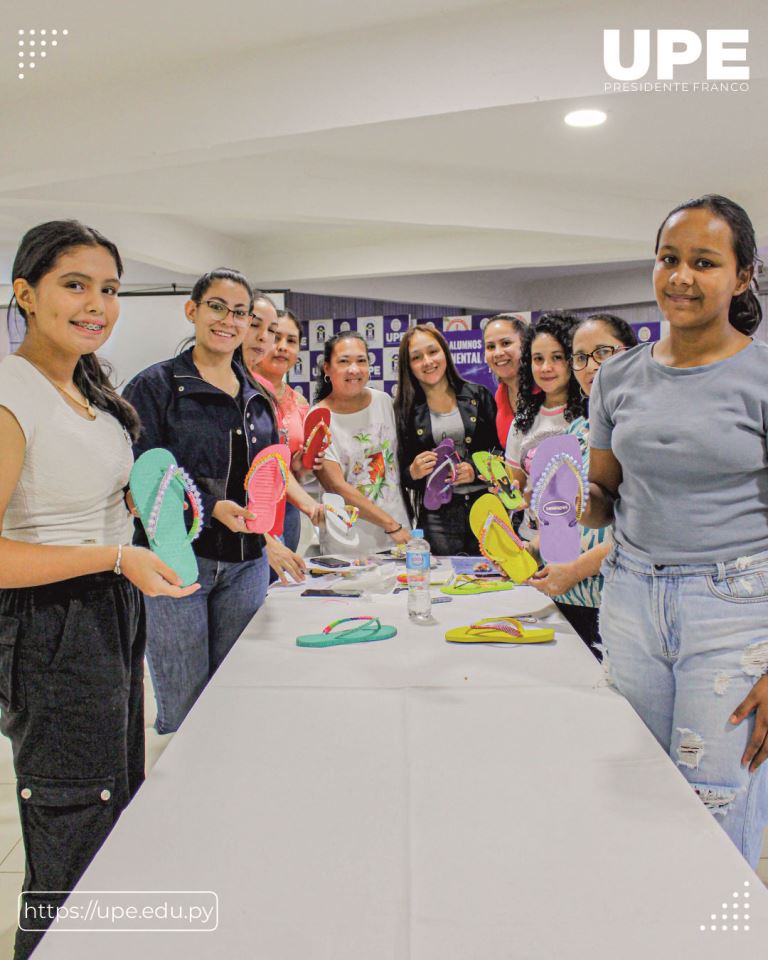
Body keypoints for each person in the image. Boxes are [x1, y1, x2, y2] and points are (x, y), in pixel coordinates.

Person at [0, 221, 198, 959]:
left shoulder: (85, 388)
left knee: (113, 809)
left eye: (109, 288)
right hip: (50, 627)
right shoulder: (11, 393)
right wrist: (115, 558)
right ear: (25, 294)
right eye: (74, 285)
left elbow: (98, 502)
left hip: (106, 611)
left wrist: (154, 526)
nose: (97, 304)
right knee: (73, 836)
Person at [584, 194, 768, 867]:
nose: (681, 277)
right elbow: (604, 492)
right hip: (631, 599)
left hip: (736, 611)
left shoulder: (762, 375)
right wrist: (568, 502)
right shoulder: (617, 376)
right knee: (636, 786)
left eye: (703, 262)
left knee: (715, 803)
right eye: (668, 259)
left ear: (743, 276)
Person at [123, 269, 319, 734]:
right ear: (191, 310)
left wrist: (269, 535)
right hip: (175, 565)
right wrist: (209, 507)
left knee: (239, 695)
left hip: (246, 564)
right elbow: (138, 480)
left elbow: (265, 480)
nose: (227, 320)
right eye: (216, 306)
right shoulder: (155, 388)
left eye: (240, 312)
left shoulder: (256, 394)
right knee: (187, 709)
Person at [526, 314, 637, 658]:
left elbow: (638, 531)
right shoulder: (575, 432)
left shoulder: (641, 435)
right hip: (565, 601)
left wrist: (574, 570)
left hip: (617, 604)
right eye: (580, 357)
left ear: (631, 354)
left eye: (603, 352)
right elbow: (561, 524)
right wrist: (529, 549)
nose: (591, 367)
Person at [394, 325, 497, 555]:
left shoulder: (478, 396)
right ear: (408, 365)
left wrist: (473, 468)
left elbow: (500, 452)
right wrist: (414, 470)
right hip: (438, 517)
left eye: (433, 352)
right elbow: (400, 475)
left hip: (485, 507)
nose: (427, 361)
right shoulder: (404, 410)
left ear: (445, 353)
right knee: (441, 583)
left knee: (491, 580)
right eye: (417, 357)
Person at [313, 332, 410, 555]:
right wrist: (390, 525)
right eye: (344, 361)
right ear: (327, 368)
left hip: (397, 540)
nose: (354, 369)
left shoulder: (383, 401)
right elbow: (337, 487)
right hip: (349, 545)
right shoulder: (319, 418)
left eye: (361, 361)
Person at [505, 312, 585, 540]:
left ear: (574, 359)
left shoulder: (593, 417)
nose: (545, 367)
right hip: (531, 543)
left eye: (557, 357)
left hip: (580, 545)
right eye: (538, 359)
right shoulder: (523, 420)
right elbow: (516, 487)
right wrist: (503, 489)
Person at [245, 304, 311, 553]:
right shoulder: (243, 391)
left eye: (291, 341)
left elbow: (296, 470)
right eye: (276, 337)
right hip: (251, 506)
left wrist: (302, 464)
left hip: (289, 508)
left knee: (281, 589)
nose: (283, 346)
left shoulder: (300, 403)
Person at [483, 314, 528, 448]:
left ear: (525, 345)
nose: (497, 353)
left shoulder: (546, 389)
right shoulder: (499, 396)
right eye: (490, 347)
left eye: (506, 343)